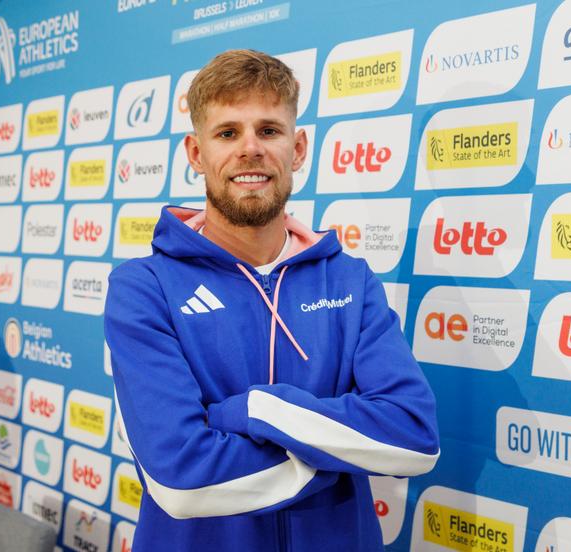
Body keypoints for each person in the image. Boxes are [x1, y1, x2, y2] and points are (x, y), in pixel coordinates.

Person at [104, 49, 440, 551]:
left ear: (298, 147)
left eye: (268, 130)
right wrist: (343, 452)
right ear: (196, 153)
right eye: (226, 133)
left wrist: (255, 411)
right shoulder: (144, 287)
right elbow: (182, 478)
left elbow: (414, 436)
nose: (249, 150)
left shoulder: (350, 281)